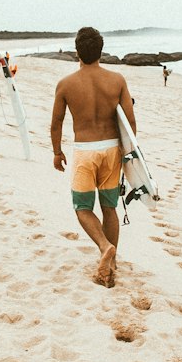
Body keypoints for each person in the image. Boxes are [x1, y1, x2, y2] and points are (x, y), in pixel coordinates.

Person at [50, 26, 135, 288]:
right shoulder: (117, 80)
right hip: (112, 151)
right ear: (101, 50)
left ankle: (104, 246)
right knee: (109, 208)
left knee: (83, 207)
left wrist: (57, 151)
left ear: (77, 51)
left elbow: (56, 122)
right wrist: (128, 156)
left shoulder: (66, 84)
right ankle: (112, 262)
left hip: (86, 151)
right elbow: (130, 122)